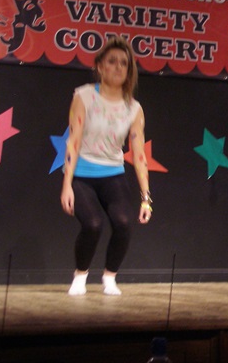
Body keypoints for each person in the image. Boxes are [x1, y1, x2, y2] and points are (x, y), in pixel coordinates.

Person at [60, 36, 151, 296]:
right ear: (100, 66)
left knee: (123, 222)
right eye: (112, 61)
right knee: (93, 224)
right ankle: (80, 275)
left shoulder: (134, 108)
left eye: (124, 63)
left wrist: (146, 198)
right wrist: (67, 185)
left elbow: (139, 154)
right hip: (82, 174)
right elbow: (74, 141)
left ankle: (109, 277)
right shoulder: (84, 96)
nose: (118, 67)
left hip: (113, 173)